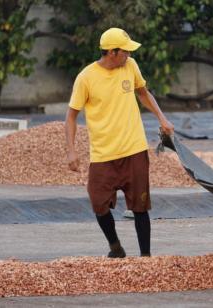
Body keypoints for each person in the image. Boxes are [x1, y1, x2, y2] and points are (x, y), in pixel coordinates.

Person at [65, 27, 174, 258]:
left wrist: (162, 118)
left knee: (140, 206)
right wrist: (71, 151)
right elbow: (72, 115)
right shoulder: (86, 77)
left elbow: (143, 93)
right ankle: (115, 247)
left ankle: (145, 257)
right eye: (125, 51)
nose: (129, 55)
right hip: (103, 154)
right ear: (112, 52)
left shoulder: (130, 66)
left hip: (134, 149)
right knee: (98, 203)